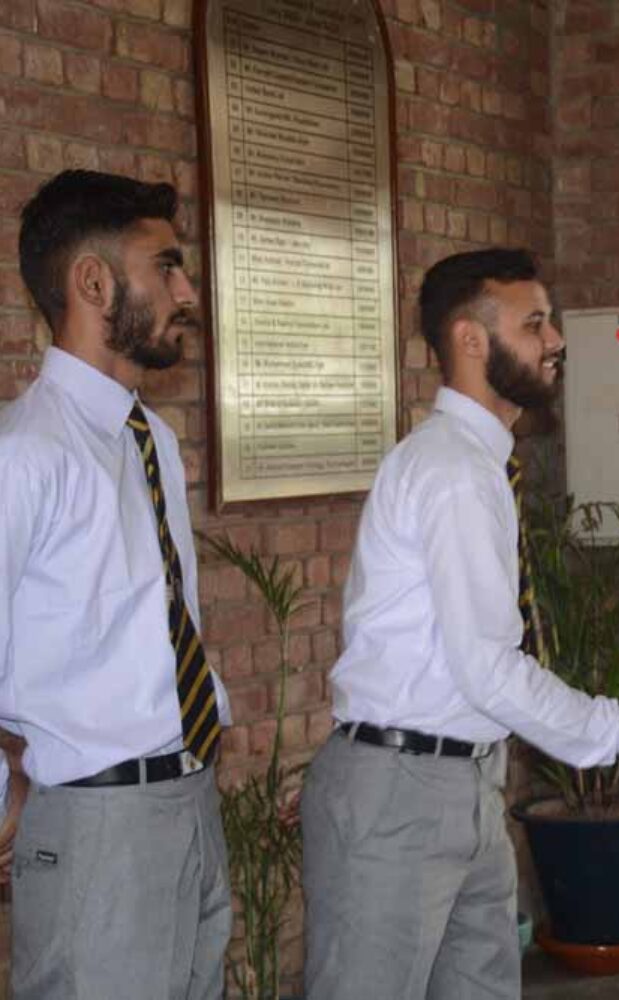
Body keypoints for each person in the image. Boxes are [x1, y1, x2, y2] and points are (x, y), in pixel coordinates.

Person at [301, 248, 619, 1000]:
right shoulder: (453, 471)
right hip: (399, 795)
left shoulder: (477, 464)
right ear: (470, 339)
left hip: (461, 781)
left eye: (548, 324)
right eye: (534, 325)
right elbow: (489, 669)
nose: (555, 341)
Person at [2, 170, 232, 999]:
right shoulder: (25, 454)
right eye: (166, 267)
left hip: (190, 802)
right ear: (93, 283)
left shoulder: (151, 440)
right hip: (97, 826)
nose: (187, 292)